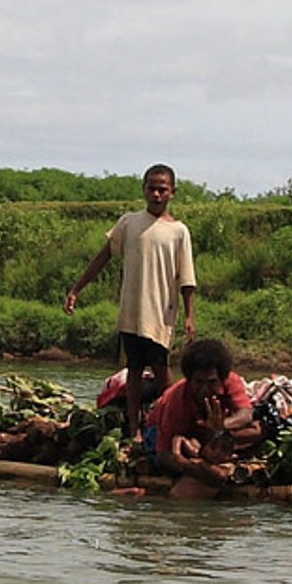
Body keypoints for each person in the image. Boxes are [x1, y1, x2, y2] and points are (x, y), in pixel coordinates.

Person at [64, 164, 197, 438]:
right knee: (134, 368)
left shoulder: (179, 231)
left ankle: (170, 424)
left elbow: (187, 279)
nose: (157, 194)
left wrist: (189, 316)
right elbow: (103, 257)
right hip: (132, 310)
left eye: (162, 189)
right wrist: (77, 289)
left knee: (161, 369)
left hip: (161, 312)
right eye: (152, 188)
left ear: (173, 192)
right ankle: (135, 427)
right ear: (144, 190)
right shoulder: (129, 222)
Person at [143, 339, 263, 500]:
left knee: (258, 429)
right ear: (190, 380)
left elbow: (246, 414)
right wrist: (189, 465)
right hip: (160, 434)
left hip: (207, 432)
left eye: (212, 382)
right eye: (199, 382)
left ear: (222, 378)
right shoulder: (177, 400)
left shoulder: (231, 381)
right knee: (200, 464)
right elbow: (163, 454)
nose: (205, 389)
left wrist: (222, 426)